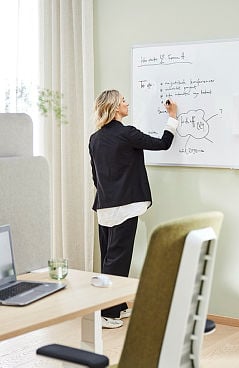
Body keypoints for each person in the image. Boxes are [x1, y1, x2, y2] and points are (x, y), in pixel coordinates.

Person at [89, 89, 178, 329]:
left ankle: (116, 305)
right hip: (125, 206)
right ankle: (107, 313)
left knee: (109, 257)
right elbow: (163, 144)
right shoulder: (127, 134)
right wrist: (173, 116)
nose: (127, 103)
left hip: (105, 206)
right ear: (116, 107)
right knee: (117, 260)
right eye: (124, 101)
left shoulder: (95, 138)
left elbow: (95, 177)